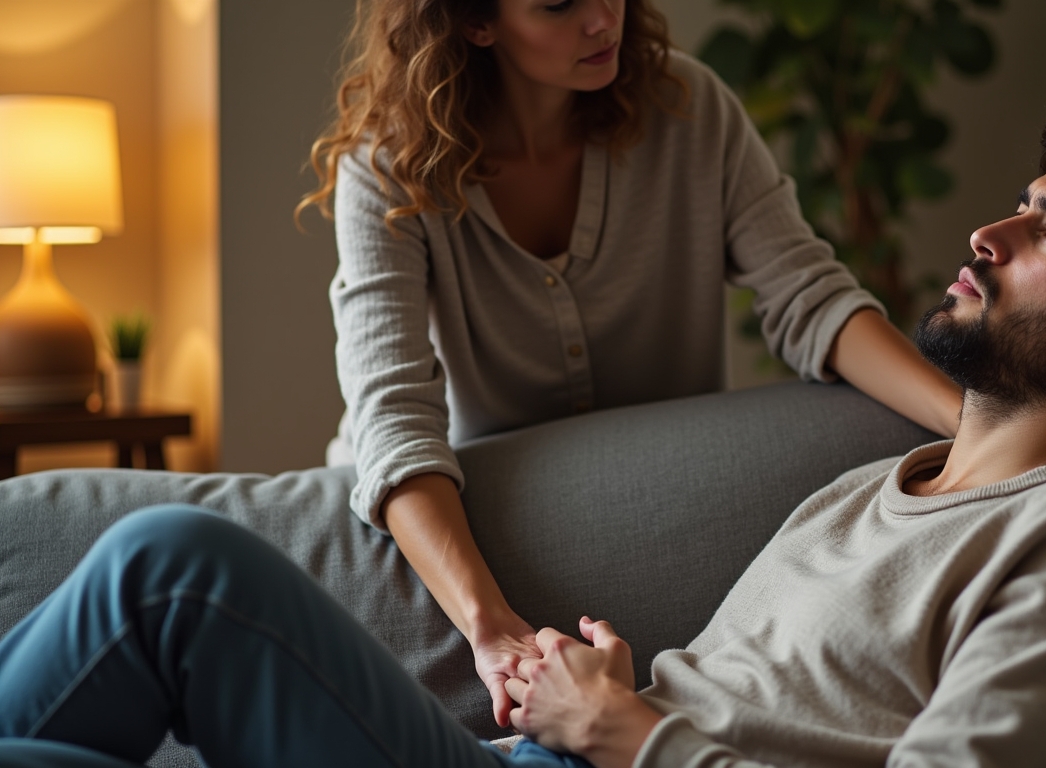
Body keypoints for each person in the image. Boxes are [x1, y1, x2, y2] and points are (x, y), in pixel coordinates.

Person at [0, 76, 1046, 768]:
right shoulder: (882, 486)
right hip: (529, 749)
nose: (990, 228)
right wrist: (615, 698)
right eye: (1023, 201)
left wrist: (632, 736)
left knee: (166, 570)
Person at [300, 0, 962, 730]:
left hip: (655, 514)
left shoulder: (690, 108)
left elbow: (812, 297)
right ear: (473, 21)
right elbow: (394, 424)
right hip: (433, 528)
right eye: (559, 4)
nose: (601, 18)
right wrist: (489, 628)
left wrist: (973, 422)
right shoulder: (388, 169)